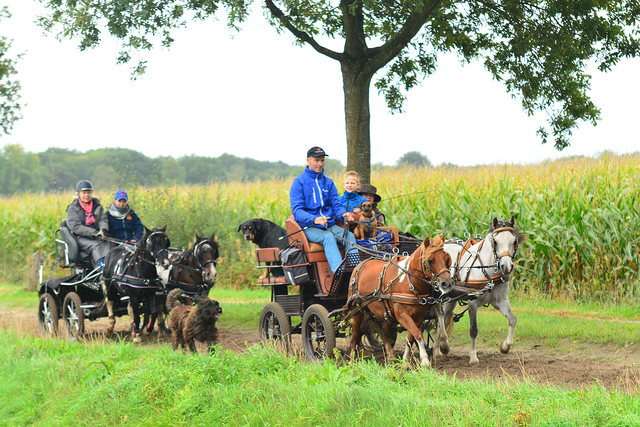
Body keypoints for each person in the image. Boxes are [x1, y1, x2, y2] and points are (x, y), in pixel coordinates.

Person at [290, 146, 357, 273]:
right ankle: (339, 273)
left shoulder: (329, 182)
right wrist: (314, 219)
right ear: (308, 160)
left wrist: (343, 215)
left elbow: (336, 205)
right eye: (316, 160)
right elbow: (297, 211)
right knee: (328, 237)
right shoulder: (298, 182)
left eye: (322, 160)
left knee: (348, 235)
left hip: (330, 225)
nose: (320, 164)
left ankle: (355, 273)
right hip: (309, 227)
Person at [65, 180, 111, 268]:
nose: (87, 195)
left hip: (97, 235)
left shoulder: (97, 205)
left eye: (89, 192)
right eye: (84, 192)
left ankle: (110, 267)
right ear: (78, 193)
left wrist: (103, 229)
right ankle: (102, 268)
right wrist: (93, 232)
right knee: (97, 245)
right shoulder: (73, 208)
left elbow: (103, 219)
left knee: (108, 243)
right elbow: (75, 227)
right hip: (80, 237)